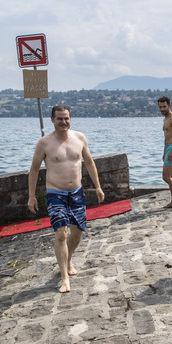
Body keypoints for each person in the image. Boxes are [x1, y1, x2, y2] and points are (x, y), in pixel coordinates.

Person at [28, 105, 105, 293]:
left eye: (66, 118)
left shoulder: (79, 138)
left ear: (70, 119)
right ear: (52, 120)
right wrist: (31, 196)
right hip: (56, 194)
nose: (64, 122)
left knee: (78, 232)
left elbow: (89, 162)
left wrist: (98, 186)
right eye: (60, 118)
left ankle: (68, 259)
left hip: (77, 192)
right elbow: (34, 169)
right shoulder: (44, 143)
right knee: (61, 233)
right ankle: (64, 278)